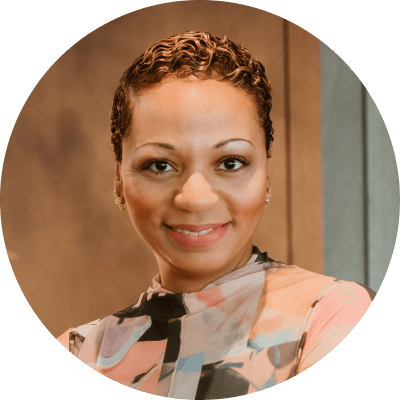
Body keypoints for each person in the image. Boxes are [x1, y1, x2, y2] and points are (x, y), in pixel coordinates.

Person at [56, 31, 376, 397]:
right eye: (160, 165)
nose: (195, 199)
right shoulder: (84, 349)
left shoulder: (331, 314)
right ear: (119, 181)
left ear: (266, 177)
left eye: (230, 162)